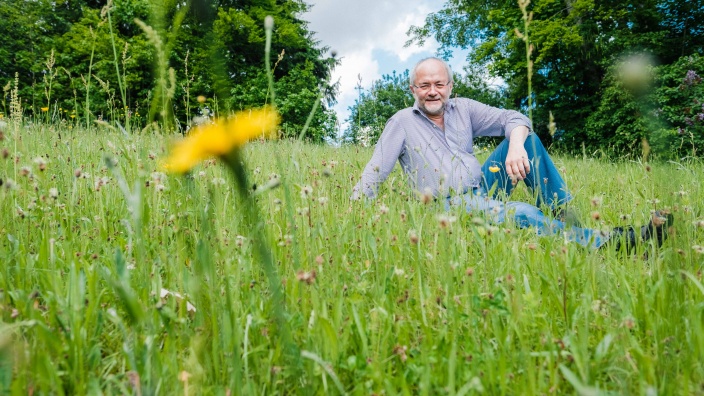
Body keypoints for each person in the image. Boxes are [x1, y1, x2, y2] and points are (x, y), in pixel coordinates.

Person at [351, 57, 672, 251]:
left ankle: (564, 219)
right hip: (447, 204)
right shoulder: (403, 122)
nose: (432, 91)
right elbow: (375, 170)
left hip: (483, 187)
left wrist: (515, 145)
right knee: (522, 212)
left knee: (528, 141)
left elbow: (514, 119)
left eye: (438, 84)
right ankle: (607, 243)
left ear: (450, 86)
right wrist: (356, 217)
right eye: (424, 85)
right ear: (414, 90)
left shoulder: (464, 109)